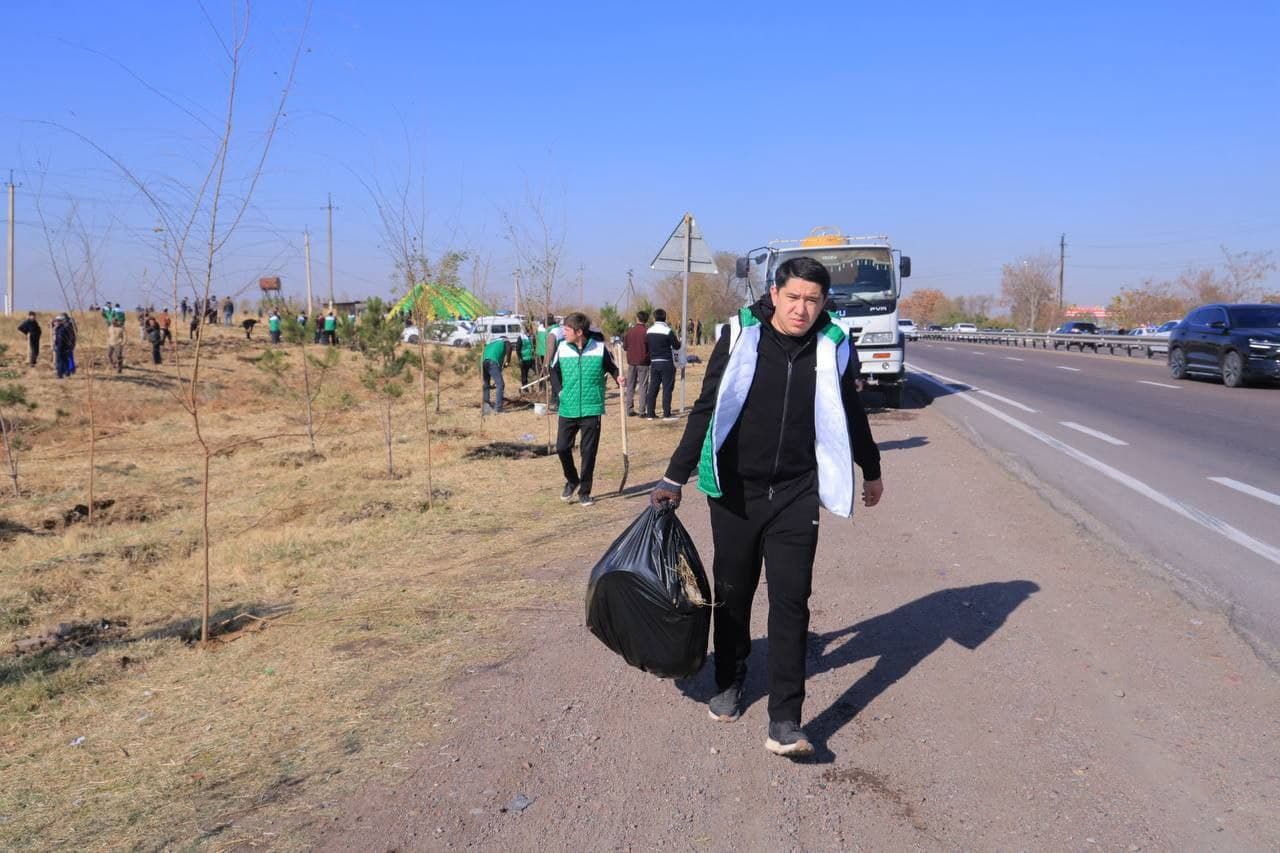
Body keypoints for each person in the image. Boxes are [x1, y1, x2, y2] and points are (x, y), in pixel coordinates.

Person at [649, 256, 884, 758]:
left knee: (791, 600)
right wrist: (674, 475)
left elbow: (850, 411)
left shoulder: (834, 347)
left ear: (824, 303)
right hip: (736, 489)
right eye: (794, 297)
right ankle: (730, 680)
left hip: (797, 491)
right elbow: (708, 408)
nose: (802, 309)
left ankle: (785, 718)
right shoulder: (740, 336)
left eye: (813, 300)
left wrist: (873, 467)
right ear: (775, 294)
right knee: (734, 593)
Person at [550, 312, 621, 508]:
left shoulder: (599, 349)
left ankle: (585, 491)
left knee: (588, 452)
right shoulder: (562, 348)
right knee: (562, 447)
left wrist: (618, 377)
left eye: (566, 329)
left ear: (579, 332)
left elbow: (611, 367)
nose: (563, 332)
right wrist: (559, 392)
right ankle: (572, 480)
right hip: (568, 407)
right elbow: (553, 371)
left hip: (592, 406)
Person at [644, 308, 680, 420]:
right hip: (666, 363)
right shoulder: (667, 331)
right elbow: (676, 346)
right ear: (665, 317)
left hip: (654, 363)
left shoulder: (649, 331)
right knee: (667, 388)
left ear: (654, 318)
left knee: (653, 388)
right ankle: (666, 414)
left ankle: (650, 413)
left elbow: (646, 346)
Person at [622, 310, 651, 417]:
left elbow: (625, 347)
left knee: (630, 385)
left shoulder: (630, 332)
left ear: (637, 319)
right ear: (646, 320)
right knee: (643, 386)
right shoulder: (647, 332)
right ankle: (642, 411)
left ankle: (629, 409)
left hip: (631, 362)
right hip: (643, 362)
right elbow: (650, 348)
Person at [481, 333, 511, 414]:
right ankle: (498, 408)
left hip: (483, 362)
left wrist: (501, 367)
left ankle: (486, 406)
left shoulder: (492, 343)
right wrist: (508, 361)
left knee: (486, 384)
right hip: (492, 362)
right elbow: (509, 347)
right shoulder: (505, 341)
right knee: (500, 385)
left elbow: (498, 364)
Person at [53, 315, 76, 379]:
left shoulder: (61, 330)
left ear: (61, 322)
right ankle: (67, 373)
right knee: (65, 361)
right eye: (55, 321)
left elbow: (60, 340)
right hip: (65, 347)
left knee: (60, 361)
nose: (55, 322)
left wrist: (58, 347)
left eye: (57, 321)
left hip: (62, 348)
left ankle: (60, 374)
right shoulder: (61, 328)